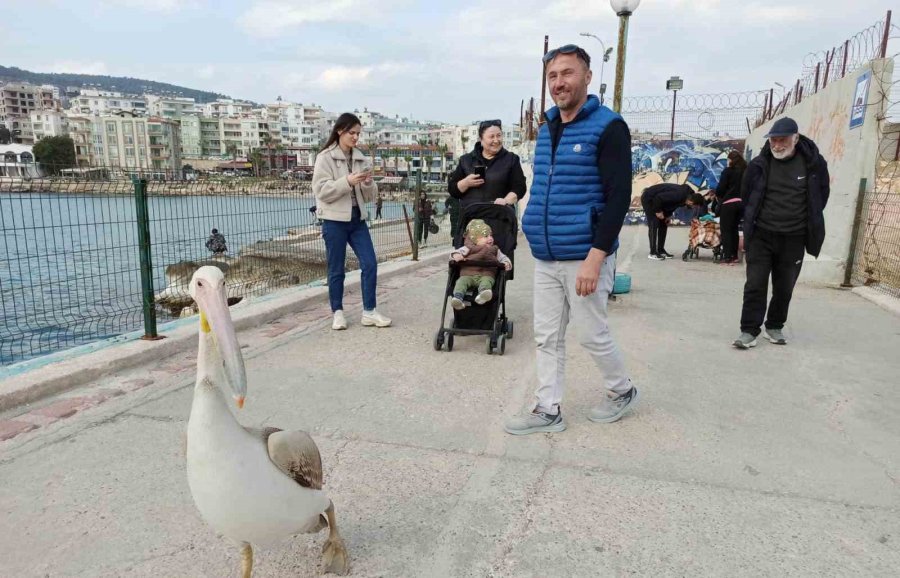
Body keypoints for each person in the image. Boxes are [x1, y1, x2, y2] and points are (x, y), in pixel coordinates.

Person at [506, 44, 637, 435]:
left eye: (567, 73)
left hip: (584, 253)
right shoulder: (547, 128)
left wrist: (596, 258)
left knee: (592, 334)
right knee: (546, 337)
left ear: (587, 77)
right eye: (552, 76)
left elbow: (618, 198)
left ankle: (622, 390)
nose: (559, 82)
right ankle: (547, 408)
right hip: (547, 254)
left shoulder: (608, 127)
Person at [733, 117, 829, 349]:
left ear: (795, 138)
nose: (777, 145)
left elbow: (821, 195)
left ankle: (774, 326)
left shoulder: (813, 164)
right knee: (755, 284)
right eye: (774, 140)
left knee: (785, 285)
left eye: (782, 140)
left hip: (794, 237)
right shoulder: (759, 164)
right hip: (762, 235)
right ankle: (749, 331)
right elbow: (747, 197)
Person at [312, 112, 392, 330]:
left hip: (358, 220)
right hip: (333, 221)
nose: (356, 137)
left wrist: (367, 183)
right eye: (351, 133)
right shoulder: (325, 157)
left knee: (370, 264)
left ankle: (369, 311)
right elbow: (321, 191)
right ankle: (337, 312)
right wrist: (347, 181)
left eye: (358, 133)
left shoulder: (360, 158)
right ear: (340, 131)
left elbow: (369, 195)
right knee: (336, 268)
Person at [448, 119, 526, 211]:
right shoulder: (466, 160)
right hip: (471, 219)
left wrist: (506, 200)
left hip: (500, 217)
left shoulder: (511, 159)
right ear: (481, 139)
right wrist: (466, 183)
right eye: (491, 137)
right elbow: (453, 190)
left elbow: (520, 187)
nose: (496, 140)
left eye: (499, 136)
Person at [449, 219, 512, 309]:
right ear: (475, 239)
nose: (490, 238)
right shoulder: (468, 248)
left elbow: (503, 258)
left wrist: (506, 263)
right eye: (485, 236)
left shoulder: (495, 249)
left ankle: (483, 294)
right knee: (461, 282)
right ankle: (458, 298)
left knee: (487, 281)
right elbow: (454, 253)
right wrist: (456, 255)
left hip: (486, 274)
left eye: (491, 235)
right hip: (468, 274)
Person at [640, 183, 703, 260]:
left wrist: (668, 215)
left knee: (663, 224)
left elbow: (672, 204)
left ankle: (661, 250)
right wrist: (658, 211)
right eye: (694, 206)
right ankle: (652, 253)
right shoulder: (679, 194)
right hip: (649, 198)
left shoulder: (686, 197)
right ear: (691, 202)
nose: (693, 208)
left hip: (660, 202)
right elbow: (658, 198)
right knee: (654, 222)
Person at [715, 150, 747, 264]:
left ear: (731, 160)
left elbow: (720, 189)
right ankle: (734, 256)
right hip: (741, 203)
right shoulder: (745, 171)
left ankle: (727, 257)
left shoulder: (728, 171)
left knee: (726, 230)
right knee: (734, 229)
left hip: (728, 204)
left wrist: (718, 195)